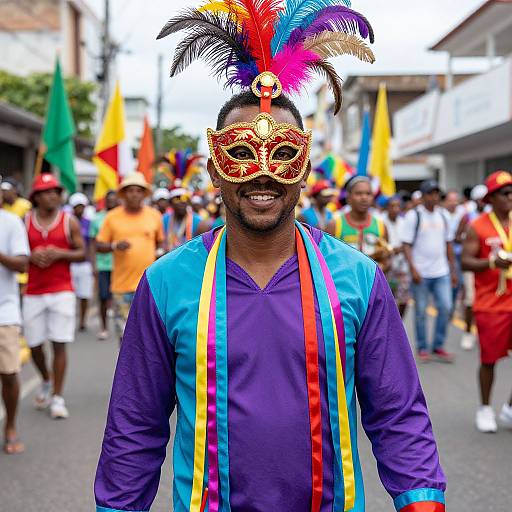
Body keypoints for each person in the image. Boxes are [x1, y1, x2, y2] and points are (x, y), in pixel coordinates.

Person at [95, 5, 446, 511]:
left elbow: (398, 413)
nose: (264, 176)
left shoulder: (359, 279)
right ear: (215, 171)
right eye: (241, 156)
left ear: (303, 172)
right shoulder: (168, 282)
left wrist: (422, 502)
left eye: (283, 157)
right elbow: (135, 425)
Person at [23, 174, 85, 419]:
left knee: (59, 343)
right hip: (34, 292)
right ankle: (46, 379)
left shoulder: (68, 221)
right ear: (36, 197)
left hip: (62, 291)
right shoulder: (25, 221)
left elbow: (82, 253)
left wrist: (60, 253)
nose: (53, 196)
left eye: (56, 192)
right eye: (47, 192)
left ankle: (57, 397)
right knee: (34, 345)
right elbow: (18, 253)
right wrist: (31, 256)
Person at [461, 171, 512, 433]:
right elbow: (465, 261)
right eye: (505, 193)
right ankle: (485, 408)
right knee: (490, 359)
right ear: (491, 198)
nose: (510, 197)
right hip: (491, 303)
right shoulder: (478, 226)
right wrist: (493, 262)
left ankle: (510, 408)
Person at [96, 172, 164, 341]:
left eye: (138, 190)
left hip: (149, 286)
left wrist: (160, 254)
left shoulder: (154, 216)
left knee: (149, 337)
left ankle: (145, 368)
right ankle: (127, 368)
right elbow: (98, 245)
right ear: (124, 194)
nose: (134, 194)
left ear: (143, 194)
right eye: (130, 190)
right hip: (121, 287)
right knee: (126, 338)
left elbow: (161, 243)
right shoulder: (112, 217)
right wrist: (114, 246)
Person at [402, 180, 457, 363]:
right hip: (421, 274)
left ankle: (438, 345)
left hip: (441, 272)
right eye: (429, 193)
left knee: (446, 307)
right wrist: (413, 269)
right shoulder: (414, 216)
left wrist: (453, 270)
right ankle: (423, 347)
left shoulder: (444, 216)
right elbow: (406, 245)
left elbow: (448, 244)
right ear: (423, 195)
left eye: (436, 193)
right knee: (420, 312)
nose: (433, 197)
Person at [0, 178, 30, 454]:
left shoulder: (10, 223)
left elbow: (22, 262)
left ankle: (10, 425)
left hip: (4, 312)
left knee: (8, 374)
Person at [327, 176, 390, 269]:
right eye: (358, 193)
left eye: (368, 194)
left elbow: (387, 260)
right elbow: (327, 260)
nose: (364, 198)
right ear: (348, 197)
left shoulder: (381, 225)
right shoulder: (335, 224)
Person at [455, 184, 487, 350]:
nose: (483, 202)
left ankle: (487, 333)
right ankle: (468, 332)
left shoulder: (493, 216)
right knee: (470, 300)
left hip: (490, 266)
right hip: (472, 264)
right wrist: (469, 242)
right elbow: (457, 236)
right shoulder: (468, 216)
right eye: (480, 199)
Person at [89, 190, 119, 340]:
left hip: (121, 265)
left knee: (120, 297)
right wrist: (93, 264)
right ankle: (104, 327)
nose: (112, 202)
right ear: (105, 201)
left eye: (115, 199)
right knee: (102, 296)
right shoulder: (97, 219)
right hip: (103, 264)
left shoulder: (123, 217)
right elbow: (93, 244)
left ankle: (123, 326)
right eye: (109, 200)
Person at [69, 192, 94, 331]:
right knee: (71, 295)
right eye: (77, 206)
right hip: (71, 263)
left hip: (85, 263)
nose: (79, 209)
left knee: (84, 294)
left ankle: (83, 321)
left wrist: (92, 263)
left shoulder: (88, 223)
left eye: (82, 206)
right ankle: (71, 320)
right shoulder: (67, 221)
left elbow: (91, 243)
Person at [382, 195, 410, 317]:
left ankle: (399, 324)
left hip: (401, 266)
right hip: (386, 267)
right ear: (387, 208)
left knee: (404, 299)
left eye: (398, 206)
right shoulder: (381, 222)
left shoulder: (404, 223)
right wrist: (392, 250)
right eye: (392, 206)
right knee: (387, 299)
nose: (395, 209)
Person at [443, 190, 464, 317]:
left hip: (458, 254)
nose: (453, 203)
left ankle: (451, 306)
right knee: (447, 280)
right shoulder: (442, 214)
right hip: (444, 254)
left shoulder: (462, 214)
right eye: (451, 200)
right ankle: (447, 306)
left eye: (455, 200)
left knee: (457, 281)